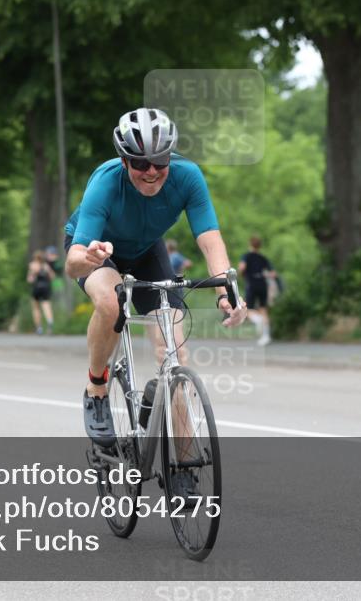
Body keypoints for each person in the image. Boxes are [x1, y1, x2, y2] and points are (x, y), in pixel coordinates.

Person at [64, 107, 246, 469]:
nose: (150, 172)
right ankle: (97, 388)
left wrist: (227, 291)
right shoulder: (105, 181)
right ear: (124, 160)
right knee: (113, 304)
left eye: (159, 162)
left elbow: (210, 240)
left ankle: (183, 460)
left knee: (174, 352)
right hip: (99, 252)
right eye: (140, 163)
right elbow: (72, 263)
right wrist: (91, 256)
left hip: (148, 251)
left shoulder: (188, 177)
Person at [239, 236, 276, 346]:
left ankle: (258, 320)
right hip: (263, 284)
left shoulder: (246, 256)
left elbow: (241, 268)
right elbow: (273, 273)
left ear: (250, 244)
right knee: (263, 309)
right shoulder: (263, 258)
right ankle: (266, 336)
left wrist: (242, 275)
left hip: (252, 284)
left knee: (247, 309)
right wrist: (265, 274)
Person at [27, 250, 55, 334]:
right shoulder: (46, 266)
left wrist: (33, 274)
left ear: (35, 257)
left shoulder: (32, 265)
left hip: (36, 288)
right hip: (46, 287)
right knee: (46, 306)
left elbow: (30, 280)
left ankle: (39, 328)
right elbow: (52, 277)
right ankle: (50, 322)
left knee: (36, 308)